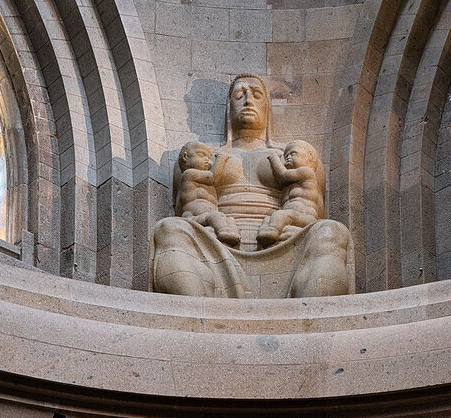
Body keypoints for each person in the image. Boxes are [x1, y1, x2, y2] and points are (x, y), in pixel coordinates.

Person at [149, 73, 352, 298]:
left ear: (267, 107)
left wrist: (295, 229)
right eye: (239, 94)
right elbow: (188, 210)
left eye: (256, 95)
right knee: (169, 229)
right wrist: (207, 225)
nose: (248, 100)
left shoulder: (294, 157)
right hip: (213, 246)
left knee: (332, 231)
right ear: (229, 107)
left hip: (283, 244)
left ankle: (308, 315)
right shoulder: (202, 157)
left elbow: (310, 210)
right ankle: (199, 312)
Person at [257, 141, 322, 247]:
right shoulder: (293, 182)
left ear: (310, 158)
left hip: (306, 216)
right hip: (293, 215)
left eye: (293, 154)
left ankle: (271, 232)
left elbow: (283, 175)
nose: (288, 157)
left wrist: (274, 158)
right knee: (268, 219)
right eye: (286, 155)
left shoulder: (307, 172)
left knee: (280, 215)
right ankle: (266, 235)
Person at [175, 142, 240, 246]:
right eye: (201, 155)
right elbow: (213, 177)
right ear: (185, 157)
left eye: (209, 158)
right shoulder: (189, 174)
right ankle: (224, 232)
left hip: (208, 217)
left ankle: (228, 233)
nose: (208, 161)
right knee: (216, 216)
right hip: (196, 216)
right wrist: (221, 159)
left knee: (230, 220)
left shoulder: (203, 182)